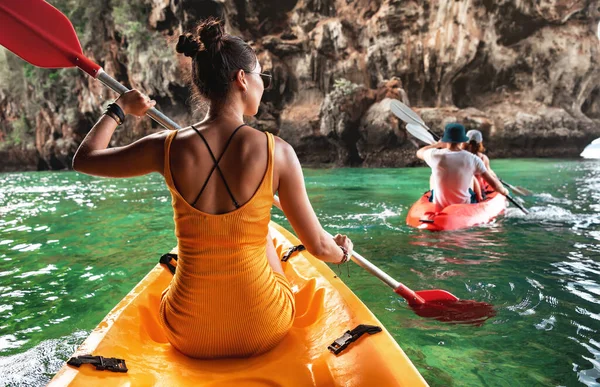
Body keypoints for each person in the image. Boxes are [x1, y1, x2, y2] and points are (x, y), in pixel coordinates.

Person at [72, 18, 353, 359]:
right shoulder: (278, 152)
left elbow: (84, 159)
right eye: (260, 76)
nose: (262, 85)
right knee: (263, 233)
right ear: (241, 79)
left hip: (188, 332)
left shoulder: (165, 146)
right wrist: (342, 251)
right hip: (262, 327)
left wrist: (120, 109)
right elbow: (320, 247)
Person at [416, 123, 508, 211]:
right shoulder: (473, 159)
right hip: (464, 205)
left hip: (440, 205)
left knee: (433, 176)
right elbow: (494, 185)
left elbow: (419, 152)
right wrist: (504, 191)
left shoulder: (434, 155)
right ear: (463, 141)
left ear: (445, 140)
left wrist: (438, 145)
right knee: (471, 179)